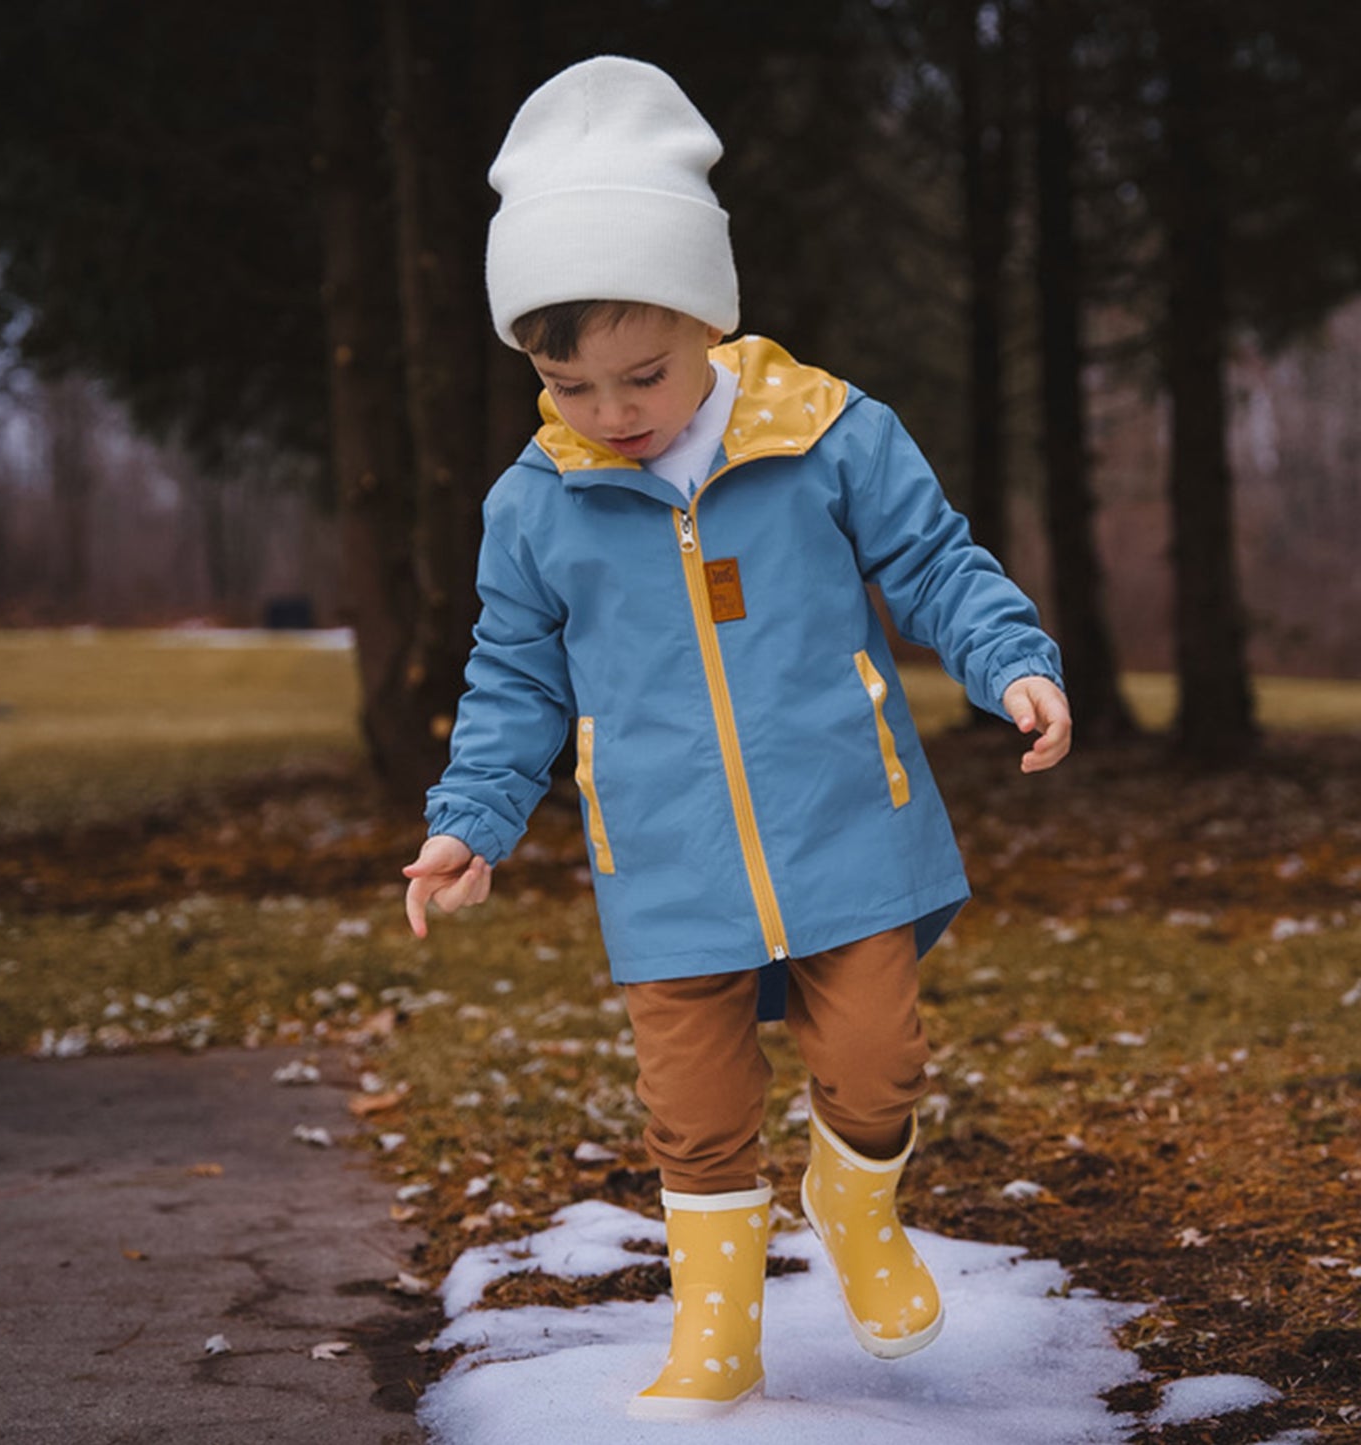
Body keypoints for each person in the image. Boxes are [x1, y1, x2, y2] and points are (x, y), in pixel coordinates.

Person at [403, 55, 1071, 1421]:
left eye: (639, 374)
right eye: (565, 382)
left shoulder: (829, 435)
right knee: (695, 1111)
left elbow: (936, 562)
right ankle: (718, 1330)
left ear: (705, 316)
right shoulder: (537, 505)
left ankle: (856, 1204)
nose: (608, 412)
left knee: (877, 1062)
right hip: (663, 855)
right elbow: (512, 675)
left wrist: (1008, 659)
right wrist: (470, 817)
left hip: (847, 824)